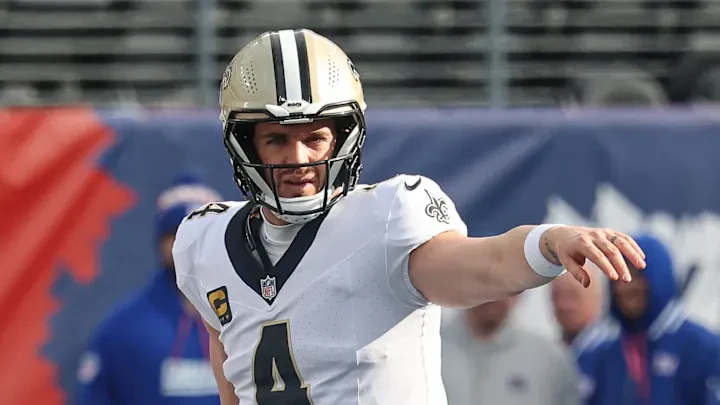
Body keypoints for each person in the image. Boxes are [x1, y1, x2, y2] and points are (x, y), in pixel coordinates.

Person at [172, 28, 647, 405]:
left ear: (343, 138)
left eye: (314, 138)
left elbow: (480, 265)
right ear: (245, 145)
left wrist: (546, 243)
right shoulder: (203, 241)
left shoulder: (386, 218)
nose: (299, 159)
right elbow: (232, 370)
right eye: (277, 139)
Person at [76, 174, 222, 405]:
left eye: (201, 234)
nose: (189, 245)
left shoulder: (248, 321)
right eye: (177, 234)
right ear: (161, 242)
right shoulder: (123, 330)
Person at [576, 234, 720, 405]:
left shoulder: (704, 349)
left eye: (636, 276)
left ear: (658, 276)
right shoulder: (603, 355)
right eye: (618, 277)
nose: (624, 288)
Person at [441, 296, 581, 405]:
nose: (494, 292)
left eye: (502, 282)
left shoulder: (550, 359)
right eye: (485, 280)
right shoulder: (434, 346)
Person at [551, 269, 607, 347]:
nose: (563, 305)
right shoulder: (548, 349)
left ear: (596, 298)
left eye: (572, 295)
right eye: (557, 296)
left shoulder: (614, 348)